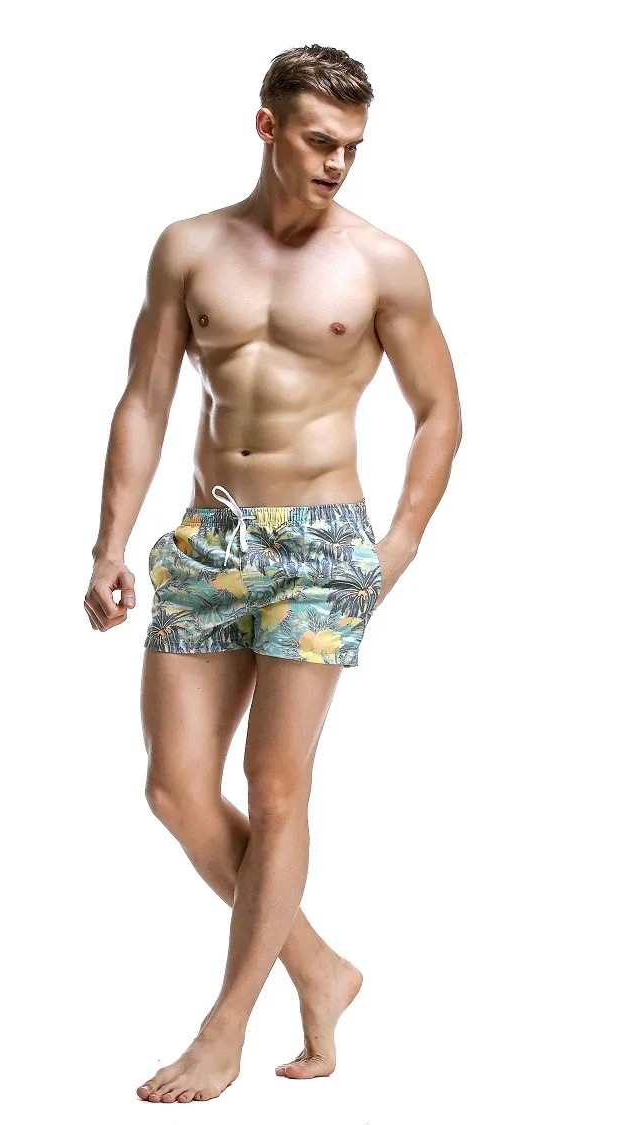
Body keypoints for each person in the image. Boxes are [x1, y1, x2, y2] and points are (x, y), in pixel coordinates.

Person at [84, 43, 462, 1104]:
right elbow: (146, 398)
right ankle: (322, 966)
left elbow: (440, 412)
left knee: (276, 785)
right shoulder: (190, 248)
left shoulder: (382, 263)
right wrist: (110, 543)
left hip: (322, 546)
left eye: (353, 147)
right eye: (319, 140)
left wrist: (399, 543)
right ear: (267, 127)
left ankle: (226, 1026)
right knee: (173, 789)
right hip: (212, 538)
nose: (338, 162)